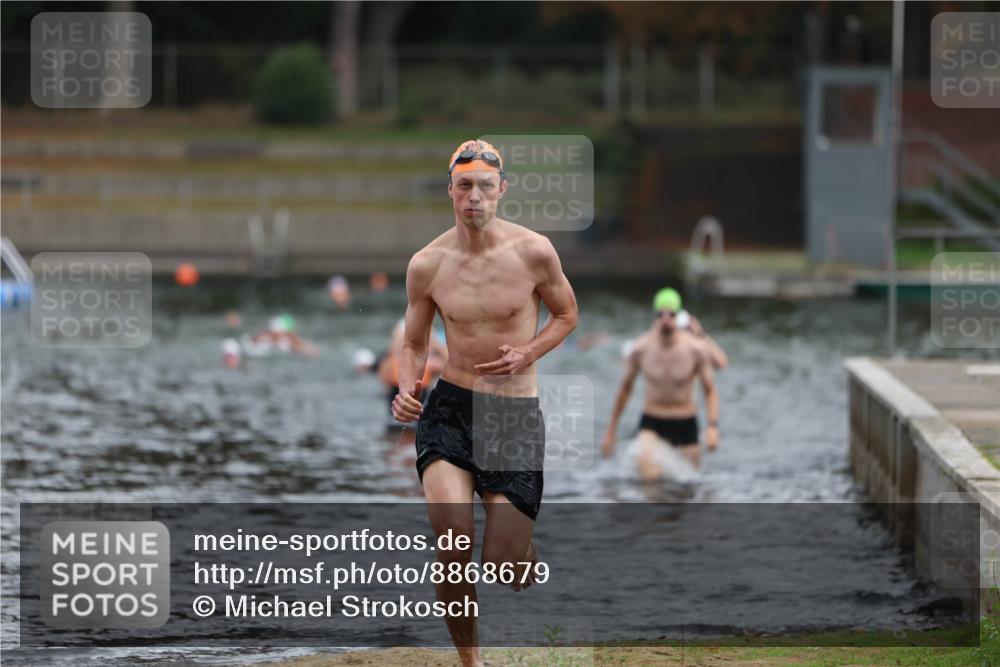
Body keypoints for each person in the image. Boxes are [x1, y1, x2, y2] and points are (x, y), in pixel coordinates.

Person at [391, 139, 578, 667]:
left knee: (499, 565)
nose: (475, 197)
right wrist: (409, 391)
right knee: (452, 546)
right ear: (450, 190)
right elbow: (413, 343)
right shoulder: (426, 264)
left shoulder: (535, 252)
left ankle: (518, 544)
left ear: (502, 191)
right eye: (465, 186)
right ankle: (471, 661)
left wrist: (529, 351)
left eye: (485, 187)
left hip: (511, 415)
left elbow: (567, 316)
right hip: (449, 410)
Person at [601, 288, 720, 479]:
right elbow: (625, 389)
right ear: (655, 316)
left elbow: (710, 389)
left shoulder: (695, 349)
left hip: (686, 424)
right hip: (652, 422)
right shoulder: (641, 349)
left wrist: (712, 426)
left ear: (678, 316)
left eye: (671, 314)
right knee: (649, 477)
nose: (666, 318)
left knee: (689, 485)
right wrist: (610, 431)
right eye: (661, 314)